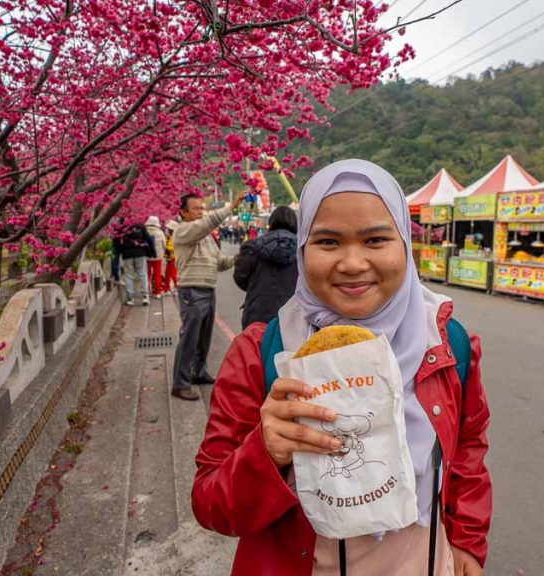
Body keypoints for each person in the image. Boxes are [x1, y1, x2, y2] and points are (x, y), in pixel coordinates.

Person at [191, 160, 492, 575]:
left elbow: (467, 455)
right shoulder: (260, 354)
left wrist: (468, 542)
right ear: (302, 249)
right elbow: (211, 505)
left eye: (375, 239)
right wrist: (266, 451)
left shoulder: (447, 345)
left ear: (404, 242)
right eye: (328, 242)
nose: (352, 263)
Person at [171, 193, 243, 401]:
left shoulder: (206, 238)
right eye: (196, 208)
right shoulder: (183, 231)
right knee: (189, 338)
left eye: (202, 208)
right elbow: (207, 223)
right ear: (183, 213)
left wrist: (236, 258)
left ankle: (198, 372)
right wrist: (231, 207)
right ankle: (180, 383)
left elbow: (220, 262)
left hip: (207, 290)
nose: (201, 213)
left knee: (203, 337)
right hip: (192, 291)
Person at [233, 206, 298, 329]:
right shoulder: (304, 250)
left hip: (257, 313)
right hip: (294, 315)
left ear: (271, 222)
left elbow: (240, 278)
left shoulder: (252, 247)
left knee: (256, 347)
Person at [112, 220, 154, 306]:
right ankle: (145, 296)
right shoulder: (140, 224)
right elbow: (148, 238)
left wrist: (120, 251)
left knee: (129, 275)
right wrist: (152, 252)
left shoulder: (122, 225)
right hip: (140, 252)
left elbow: (116, 239)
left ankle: (130, 298)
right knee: (142, 274)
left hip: (127, 254)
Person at [145, 215, 167, 299]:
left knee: (147, 274)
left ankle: (147, 291)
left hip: (147, 255)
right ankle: (158, 292)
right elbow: (164, 244)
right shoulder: (160, 232)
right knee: (157, 274)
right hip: (158, 256)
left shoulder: (145, 231)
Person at [164, 220, 179, 294]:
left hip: (173, 258)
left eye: (168, 229)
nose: (166, 230)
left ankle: (177, 287)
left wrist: (165, 245)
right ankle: (166, 289)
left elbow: (171, 247)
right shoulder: (169, 237)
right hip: (169, 258)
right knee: (167, 273)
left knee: (173, 274)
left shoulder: (174, 237)